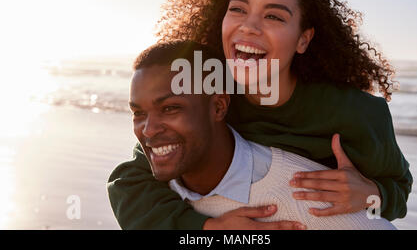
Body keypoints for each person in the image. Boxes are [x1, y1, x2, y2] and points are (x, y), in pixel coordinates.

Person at [107, 0, 412, 229]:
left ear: (303, 39)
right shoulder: (207, 92)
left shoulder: (356, 113)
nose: (249, 26)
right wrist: (205, 228)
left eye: (274, 16)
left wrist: (374, 194)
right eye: (238, 9)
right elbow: (131, 180)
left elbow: (398, 188)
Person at [127, 40, 395, 230]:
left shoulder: (310, 202)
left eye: (170, 108)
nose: (148, 130)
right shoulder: (152, 192)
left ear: (219, 106)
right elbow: (124, 181)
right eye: (138, 113)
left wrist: (378, 193)